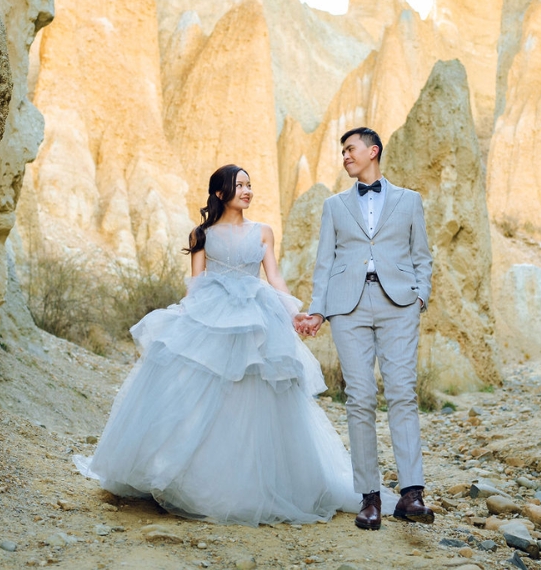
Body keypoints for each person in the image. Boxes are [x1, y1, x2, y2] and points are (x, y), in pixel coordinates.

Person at [76, 164, 359, 526]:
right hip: (212, 313)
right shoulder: (202, 234)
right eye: (239, 184)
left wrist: (294, 316)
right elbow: (196, 284)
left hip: (257, 316)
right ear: (221, 192)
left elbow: (274, 278)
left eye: (250, 184)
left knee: (254, 395)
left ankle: (252, 486)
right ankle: (193, 480)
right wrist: (186, 320)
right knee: (202, 395)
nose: (247, 190)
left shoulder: (263, 233)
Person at [294, 127, 435, 530]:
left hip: (399, 305)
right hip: (348, 307)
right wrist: (318, 311)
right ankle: (369, 498)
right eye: (342, 152)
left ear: (373, 151)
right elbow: (324, 263)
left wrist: (419, 295)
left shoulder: (410, 201)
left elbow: (422, 255)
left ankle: (411, 494)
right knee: (359, 397)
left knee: (403, 393)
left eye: (350, 149)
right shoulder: (334, 206)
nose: (345, 157)